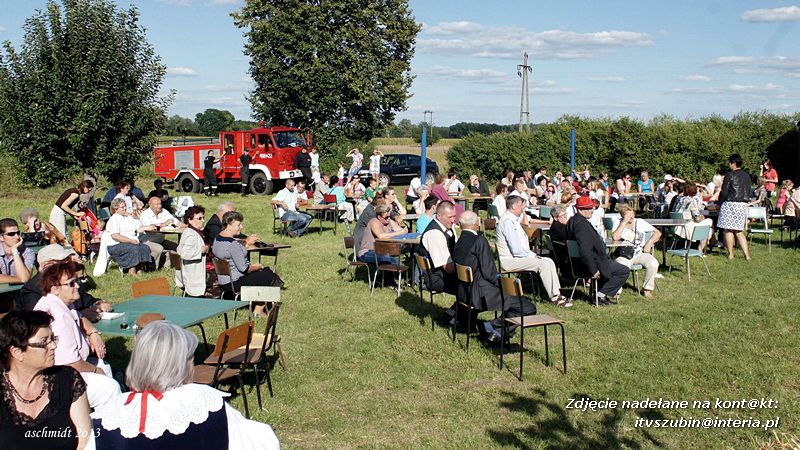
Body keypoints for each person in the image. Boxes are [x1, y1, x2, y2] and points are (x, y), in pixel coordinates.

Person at [91, 321, 279, 449]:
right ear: (178, 366)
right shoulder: (206, 403)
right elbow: (260, 442)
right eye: (190, 359)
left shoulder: (107, 415)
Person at [0, 310, 94, 449]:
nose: (53, 346)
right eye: (44, 342)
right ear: (17, 352)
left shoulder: (68, 379)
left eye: (52, 339)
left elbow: (85, 439)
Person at [34, 260, 121, 408]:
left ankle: (104, 409)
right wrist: (95, 371)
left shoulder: (60, 302)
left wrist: (93, 332)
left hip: (64, 368)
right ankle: (104, 422)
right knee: (110, 388)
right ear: (55, 288)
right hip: (57, 378)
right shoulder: (59, 319)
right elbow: (70, 363)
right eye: (71, 283)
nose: (78, 286)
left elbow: (79, 317)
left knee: (104, 365)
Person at [453, 212, 537, 342]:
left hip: (463, 292)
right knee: (527, 308)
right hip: (480, 293)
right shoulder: (479, 240)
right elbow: (489, 273)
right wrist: (504, 286)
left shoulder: (458, 241)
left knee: (516, 303)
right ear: (476, 224)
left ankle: (496, 332)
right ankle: (491, 327)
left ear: (460, 225)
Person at [495, 196, 570, 307]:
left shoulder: (512, 220)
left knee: (548, 261)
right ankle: (555, 297)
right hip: (509, 261)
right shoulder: (507, 222)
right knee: (544, 263)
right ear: (514, 206)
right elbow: (516, 250)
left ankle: (557, 293)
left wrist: (532, 255)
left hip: (515, 257)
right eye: (521, 206)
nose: (523, 208)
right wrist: (533, 256)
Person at [17, 244, 112, 320]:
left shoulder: (70, 282)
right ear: (46, 266)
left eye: (69, 261)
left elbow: (88, 300)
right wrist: (80, 316)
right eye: (63, 264)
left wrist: (99, 304)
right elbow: (41, 322)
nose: (70, 266)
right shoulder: (31, 291)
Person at [566, 196, 630, 305]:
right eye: (589, 208)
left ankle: (597, 294)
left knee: (613, 266)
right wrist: (593, 269)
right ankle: (600, 295)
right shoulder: (580, 226)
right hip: (591, 264)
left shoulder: (574, 221)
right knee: (623, 271)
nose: (592, 210)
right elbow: (585, 250)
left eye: (592, 208)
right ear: (580, 210)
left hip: (586, 262)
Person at [212, 212, 277, 315]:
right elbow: (244, 269)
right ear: (229, 226)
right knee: (268, 274)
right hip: (234, 282)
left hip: (223, 281)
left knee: (263, 274)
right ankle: (259, 310)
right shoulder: (232, 244)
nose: (241, 227)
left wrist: (244, 243)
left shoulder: (217, 239)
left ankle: (262, 304)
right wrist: (257, 267)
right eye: (238, 225)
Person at [612, 205, 661, 298]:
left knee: (653, 263)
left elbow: (658, 233)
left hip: (639, 253)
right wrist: (624, 222)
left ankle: (647, 289)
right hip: (623, 254)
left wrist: (649, 243)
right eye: (628, 215)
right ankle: (616, 290)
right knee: (622, 267)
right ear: (622, 216)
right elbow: (615, 237)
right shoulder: (618, 223)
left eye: (632, 214)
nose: (631, 217)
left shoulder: (640, 222)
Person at [102, 198, 154, 276]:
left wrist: (148, 227)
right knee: (133, 248)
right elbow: (115, 236)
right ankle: (131, 272)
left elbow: (138, 228)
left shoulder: (128, 218)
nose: (125, 208)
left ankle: (139, 270)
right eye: (122, 207)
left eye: (125, 206)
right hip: (115, 245)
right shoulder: (114, 219)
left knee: (144, 247)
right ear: (116, 208)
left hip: (130, 242)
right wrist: (131, 241)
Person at [418, 201, 458, 296]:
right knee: (473, 286)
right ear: (439, 216)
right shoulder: (434, 234)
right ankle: (455, 311)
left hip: (446, 273)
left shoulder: (447, 227)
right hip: (437, 278)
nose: (453, 220)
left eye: (454, 216)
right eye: (450, 217)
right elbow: (447, 267)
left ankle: (453, 311)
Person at [718, 154, 752, 260]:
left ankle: (731, 254)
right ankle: (747, 255)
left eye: (730, 162)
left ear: (733, 163)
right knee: (739, 231)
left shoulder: (730, 175)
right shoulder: (747, 175)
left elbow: (724, 191)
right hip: (742, 204)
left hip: (730, 204)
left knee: (728, 230)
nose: (729, 165)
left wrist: (718, 203)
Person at [176, 206, 208, 298]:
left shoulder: (191, 232)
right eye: (199, 218)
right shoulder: (190, 234)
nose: (203, 220)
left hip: (192, 274)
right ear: (190, 220)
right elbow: (185, 253)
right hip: (193, 275)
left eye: (203, 217)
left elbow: (178, 249)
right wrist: (201, 250)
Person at [673, 183, 714, 252]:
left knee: (706, 226)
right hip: (688, 227)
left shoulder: (680, 199)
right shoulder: (691, 202)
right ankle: (700, 249)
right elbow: (697, 218)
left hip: (678, 226)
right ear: (695, 192)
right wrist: (702, 218)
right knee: (709, 225)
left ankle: (689, 247)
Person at [0, 219, 33, 284]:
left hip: (20, 292)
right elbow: (24, 279)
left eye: (18, 233)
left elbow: (25, 278)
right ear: (1, 237)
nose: (17, 237)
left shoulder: (28, 252)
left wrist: (15, 251)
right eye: (11, 234)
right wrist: (20, 279)